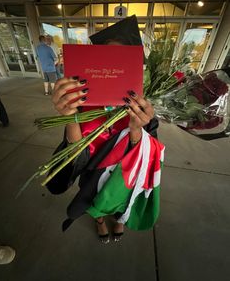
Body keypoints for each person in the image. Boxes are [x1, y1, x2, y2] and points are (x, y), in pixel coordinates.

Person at [46, 16, 164, 244]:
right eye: (106, 57)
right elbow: (75, 154)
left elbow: (148, 156)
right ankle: (99, 221)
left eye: (120, 60)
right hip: (93, 169)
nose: (112, 65)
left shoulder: (143, 106)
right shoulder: (84, 99)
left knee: (123, 197)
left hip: (125, 171)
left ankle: (120, 219)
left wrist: (136, 129)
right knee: (93, 196)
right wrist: (69, 118)